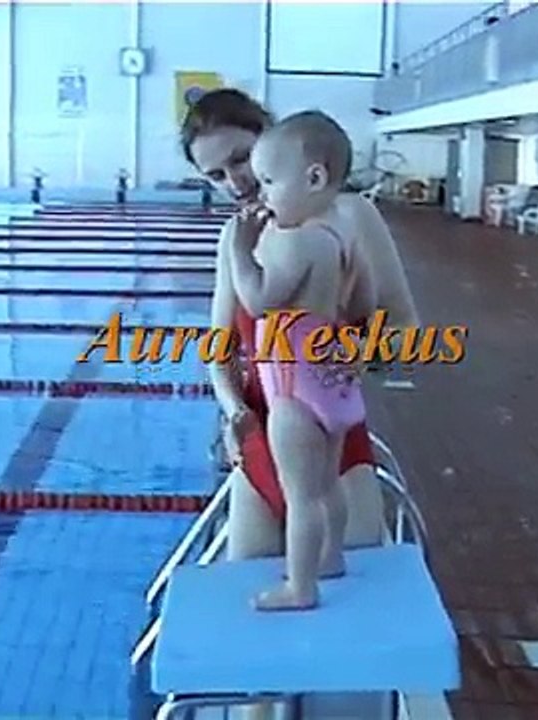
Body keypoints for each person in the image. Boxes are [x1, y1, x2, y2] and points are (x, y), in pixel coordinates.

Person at [180, 88, 419, 564]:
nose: (235, 182)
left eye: (241, 159)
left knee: (347, 602)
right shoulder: (236, 239)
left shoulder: (350, 216)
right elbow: (219, 351)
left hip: (332, 445)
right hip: (260, 445)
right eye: (216, 175)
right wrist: (232, 412)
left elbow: (405, 326)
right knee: (254, 603)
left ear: (272, 137)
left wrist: (361, 352)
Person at [227, 111, 376, 611]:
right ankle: (331, 557)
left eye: (269, 181)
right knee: (329, 482)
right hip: (332, 378)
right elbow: (365, 304)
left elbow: (257, 300)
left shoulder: (295, 241)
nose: (261, 193)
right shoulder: (341, 236)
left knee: (301, 494)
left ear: (313, 178)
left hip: (295, 390)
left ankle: (301, 585)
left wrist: (239, 250)